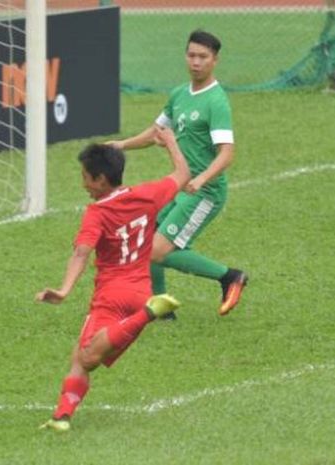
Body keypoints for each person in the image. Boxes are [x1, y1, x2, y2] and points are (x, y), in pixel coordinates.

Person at [36, 127, 190, 432]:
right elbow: (183, 174)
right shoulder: (147, 194)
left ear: (101, 180)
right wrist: (170, 142)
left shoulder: (97, 213)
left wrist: (64, 290)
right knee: (79, 359)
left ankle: (151, 312)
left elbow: (81, 253)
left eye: (85, 177)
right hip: (140, 288)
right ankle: (61, 417)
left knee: (88, 356)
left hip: (112, 295)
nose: (83, 184)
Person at [108, 29, 248, 319]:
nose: (196, 62)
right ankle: (160, 308)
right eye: (191, 55)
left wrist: (201, 179)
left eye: (203, 57)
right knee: (146, 238)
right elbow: (155, 132)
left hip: (204, 193)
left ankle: (230, 276)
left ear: (215, 61)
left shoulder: (216, 101)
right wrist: (122, 144)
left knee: (157, 250)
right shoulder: (180, 94)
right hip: (181, 188)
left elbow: (226, 153)